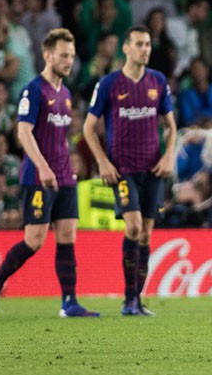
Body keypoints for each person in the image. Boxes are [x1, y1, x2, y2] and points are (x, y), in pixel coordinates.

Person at [0, 28, 99, 318]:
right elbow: (23, 131)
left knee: (68, 235)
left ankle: (69, 301)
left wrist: (66, 164)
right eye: (63, 55)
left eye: (71, 56)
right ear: (47, 55)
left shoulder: (66, 94)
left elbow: (58, 136)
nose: (69, 61)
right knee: (35, 239)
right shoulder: (33, 90)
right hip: (37, 176)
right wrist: (44, 166)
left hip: (64, 174)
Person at [83, 26, 177, 316]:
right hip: (123, 170)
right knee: (134, 226)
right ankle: (128, 299)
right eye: (139, 44)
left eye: (148, 44)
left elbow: (171, 126)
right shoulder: (109, 84)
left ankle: (136, 299)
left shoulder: (158, 82)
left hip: (153, 170)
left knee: (147, 233)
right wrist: (102, 162)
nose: (145, 49)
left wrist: (168, 156)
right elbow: (88, 128)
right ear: (126, 48)